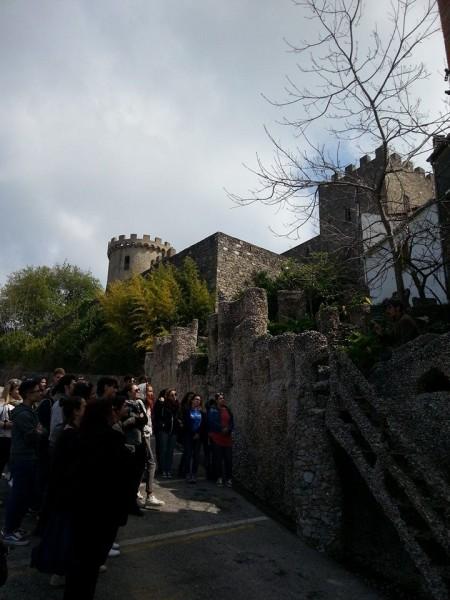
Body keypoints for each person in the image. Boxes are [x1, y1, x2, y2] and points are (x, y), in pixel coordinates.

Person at [62, 398, 130, 600]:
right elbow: (121, 479)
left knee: (78, 564)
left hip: (79, 510)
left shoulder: (75, 437)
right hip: (101, 513)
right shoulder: (111, 439)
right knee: (89, 568)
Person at [2, 378, 45, 546]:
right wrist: (38, 431)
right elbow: (33, 436)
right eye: (37, 391)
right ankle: (9, 531)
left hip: (29, 458)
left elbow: (40, 430)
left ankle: (15, 527)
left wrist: (38, 431)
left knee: (25, 495)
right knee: (18, 495)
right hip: (22, 458)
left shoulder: (30, 410)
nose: (40, 393)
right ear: (28, 393)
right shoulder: (22, 413)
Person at [121, 383, 147, 516]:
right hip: (129, 444)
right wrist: (136, 418)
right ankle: (128, 504)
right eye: (135, 390)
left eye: (138, 389)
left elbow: (145, 419)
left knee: (138, 474)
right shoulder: (124, 405)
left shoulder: (138, 403)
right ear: (128, 392)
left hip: (139, 442)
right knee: (130, 477)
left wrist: (138, 419)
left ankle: (132, 502)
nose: (138, 391)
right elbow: (123, 423)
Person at [141, 383, 164, 507]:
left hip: (147, 435)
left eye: (152, 391)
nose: (151, 393)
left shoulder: (149, 404)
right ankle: (149, 495)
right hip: (143, 436)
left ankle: (137, 493)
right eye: (149, 391)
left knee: (142, 464)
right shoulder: (142, 404)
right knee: (151, 463)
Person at [153, 388, 181, 478]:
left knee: (170, 451)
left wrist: (179, 422)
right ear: (167, 396)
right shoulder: (163, 404)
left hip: (174, 431)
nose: (174, 396)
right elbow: (157, 415)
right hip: (164, 431)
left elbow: (179, 416)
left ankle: (168, 470)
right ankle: (163, 470)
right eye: (172, 395)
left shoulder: (177, 405)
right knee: (163, 450)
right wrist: (162, 425)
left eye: (175, 394)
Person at [207, 392, 234, 487]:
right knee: (218, 459)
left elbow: (231, 422)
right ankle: (219, 477)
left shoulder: (227, 409)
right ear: (216, 400)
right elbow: (211, 422)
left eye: (223, 398)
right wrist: (221, 429)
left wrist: (229, 429)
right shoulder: (212, 410)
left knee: (228, 459)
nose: (222, 400)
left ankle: (229, 479)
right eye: (220, 398)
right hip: (217, 437)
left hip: (227, 438)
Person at [49, 375, 76, 449]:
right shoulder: (60, 402)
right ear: (66, 387)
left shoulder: (67, 400)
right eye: (73, 384)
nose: (75, 387)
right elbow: (56, 426)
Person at [183, 394, 206, 483]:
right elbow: (186, 423)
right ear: (192, 400)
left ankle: (194, 474)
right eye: (196, 399)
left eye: (199, 400)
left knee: (196, 456)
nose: (198, 401)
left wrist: (198, 433)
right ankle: (188, 473)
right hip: (188, 436)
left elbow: (204, 425)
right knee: (188, 455)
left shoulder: (202, 413)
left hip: (198, 437)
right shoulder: (187, 411)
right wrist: (193, 433)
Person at [0, 381, 18, 478]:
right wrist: (7, 425)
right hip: (5, 440)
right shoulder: (6, 406)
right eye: (17, 389)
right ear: (11, 391)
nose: (19, 392)